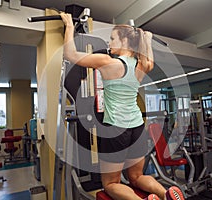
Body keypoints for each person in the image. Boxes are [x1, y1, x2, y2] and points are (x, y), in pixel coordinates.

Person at [60, 12, 185, 200]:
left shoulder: (108, 62)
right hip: (137, 127)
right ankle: (165, 193)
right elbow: (148, 58)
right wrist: (147, 39)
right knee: (137, 176)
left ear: (125, 41)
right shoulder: (142, 64)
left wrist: (69, 25)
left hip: (116, 128)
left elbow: (70, 54)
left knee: (111, 183)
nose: (109, 43)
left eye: (112, 39)